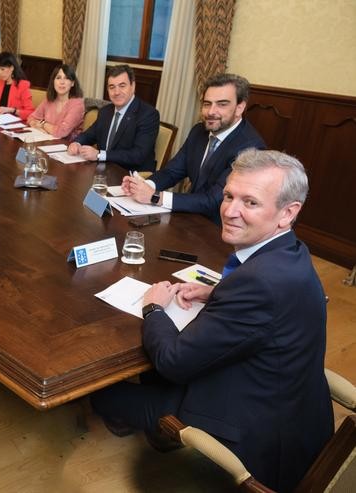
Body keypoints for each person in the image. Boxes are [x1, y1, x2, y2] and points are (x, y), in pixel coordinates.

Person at [91, 149, 333, 492]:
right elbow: (266, 308)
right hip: (288, 405)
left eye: (250, 203)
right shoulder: (289, 252)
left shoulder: (260, 283)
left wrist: (154, 308)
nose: (230, 211)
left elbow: (173, 362)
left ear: (287, 213)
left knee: (104, 394)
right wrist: (218, 291)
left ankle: (162, 435)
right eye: (229, 196)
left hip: (253, 435)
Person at [122, 73, 265, 223]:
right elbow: (172, 172)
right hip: (189, 217)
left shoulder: (251, 148)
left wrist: (155, 196)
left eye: (222, 104)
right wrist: (143, 186)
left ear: (239, 108)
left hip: (219, 229)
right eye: (207, 104)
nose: (211, 112)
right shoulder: (199, 131)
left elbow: (214, 200)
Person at [68, 65, 159, 171]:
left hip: (130, 175)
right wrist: (76, 143)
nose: (116, 92)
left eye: (122, 86)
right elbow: (89, 135)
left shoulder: (148, 114)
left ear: (132, 86)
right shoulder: (105, 111)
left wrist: (99, 155)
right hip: (103, 170)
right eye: (112, 87)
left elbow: (137, 155)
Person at [26, 64, 84, 140]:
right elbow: (31, 118)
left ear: (72, 83)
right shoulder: (49, 100)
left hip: (67, 146)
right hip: (46, 141)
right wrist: (35, 125)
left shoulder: (77, 104)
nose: (62, 82)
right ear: (53, 81)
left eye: (66, 78)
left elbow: (62, 132)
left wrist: (43, 124)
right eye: (58, 78)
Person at [0, 52, 34, 120]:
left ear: (12, 68)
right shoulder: (0, 83)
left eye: (2, 69)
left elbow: (30, 113)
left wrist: (12, 110)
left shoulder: (22, 85)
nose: (0, 73)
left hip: (15, 126)